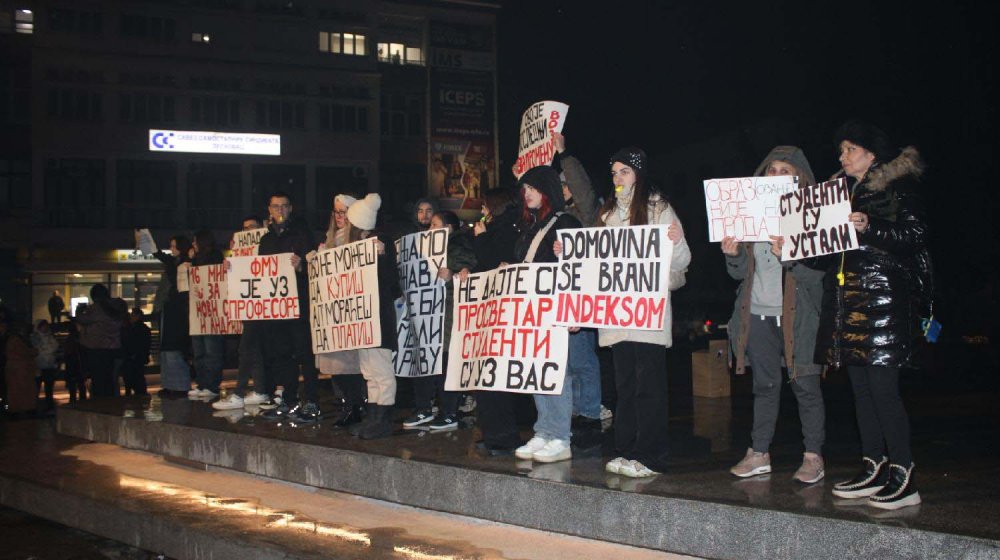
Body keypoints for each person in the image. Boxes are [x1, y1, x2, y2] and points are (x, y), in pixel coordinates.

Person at [818, 120, 930, 510]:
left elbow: (914, 237)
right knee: (862, 391)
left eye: (850, 149)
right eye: (842, 150)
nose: (842, 156)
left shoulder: (897, 187)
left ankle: (903, 472)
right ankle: (873, 464)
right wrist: (794, 244)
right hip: (849, 304)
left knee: (883, 391)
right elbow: (828, 251)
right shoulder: (839, 192)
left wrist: (871, 226)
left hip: (884, 302)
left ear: (871, 153)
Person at [722, 146, 827, 483]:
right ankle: (759, 453)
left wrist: (792, 256)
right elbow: (740, 274)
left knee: (805, 386)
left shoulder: (813, 216)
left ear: (799, 177)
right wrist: (733, 253)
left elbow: (820, 278)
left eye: (785, 170)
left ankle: (813, 457)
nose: (777, 176)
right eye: (772, 170)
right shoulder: (751, 212)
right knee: (765, 386)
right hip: (757, 314)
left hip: (799, 318)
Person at [598, 147, 690, 477]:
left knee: (647, 387)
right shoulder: (608, 215)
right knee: (624, 387)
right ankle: (626, 449)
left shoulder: (660, 209)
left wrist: (677, 241)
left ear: (638, 173)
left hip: (647, 316)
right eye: (614, 173)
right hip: (619, 315)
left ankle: (650, 456)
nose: (618, 178)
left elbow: (682, 263)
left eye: (624, 171)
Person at [508, 166, 582, 464]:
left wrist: (575, 308)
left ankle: (561, 437)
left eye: (533, 189)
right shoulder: (531, 226)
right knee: (537, 371)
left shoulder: (565, 222)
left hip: (554, 307)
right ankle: (544, 430)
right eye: (524, 189)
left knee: (555, 372)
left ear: (547, 190)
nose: (526, 195)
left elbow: (581, 264)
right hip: (531, 310)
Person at [402, 210, 477, 430]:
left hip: (447, 314)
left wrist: (451, 275)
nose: (430, 229)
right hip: (428, 314)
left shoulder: (458, 245)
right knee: (424, 361)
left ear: (449, 228)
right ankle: (424, 408)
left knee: (444, 363)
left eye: (435, 224)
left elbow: (468, 273)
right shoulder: (422, 247)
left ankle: (449, 412)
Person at [463, 187, 523, 455]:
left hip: (501, 312)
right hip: (490, 312)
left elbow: (492, 260)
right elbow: (483, 267)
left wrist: (481, 238)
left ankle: (503, 436)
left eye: (485, 207)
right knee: (485, 376)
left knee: (496, 377)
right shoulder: (500, 227)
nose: (482, 213)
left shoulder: (507, 228)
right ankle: (492, 433)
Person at [553, 132, 605, 431]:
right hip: (561, 295)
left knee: (582, 358)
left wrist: (564, 155)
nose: (561, 190)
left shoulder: (586, 214)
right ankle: (576, 409)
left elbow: (583, 190)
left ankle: (589, 412)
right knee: (568, 361)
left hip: (581, 294)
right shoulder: (559, 216)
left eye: (564, 185)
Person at [257, 192, 321, 423]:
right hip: (277, 309)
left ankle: (311, 400)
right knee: (282, 355)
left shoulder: (302, 235)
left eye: (284, 206)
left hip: (300, 304)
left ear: (290, 209)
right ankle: (290, 399)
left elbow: (317, 265)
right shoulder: (265, 241)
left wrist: (302, 265)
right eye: (276, 207)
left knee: (305, 353)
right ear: (270, 210)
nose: (280, 211)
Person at [343, 194, 402, 439]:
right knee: (369, 371)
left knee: (381, 370)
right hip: (363, 319)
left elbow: (391, 282)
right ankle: (374, 416)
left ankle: (383, 418)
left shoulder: (381, 242)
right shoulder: (356, 245)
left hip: (377, 317)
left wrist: (383, 256)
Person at [313, 194, 369, 428]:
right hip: (332, 315)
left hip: (352, 314)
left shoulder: (362, 237)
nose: (339, 216)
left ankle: (357, 405)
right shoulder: (329, 240)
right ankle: (349, 404)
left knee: (351, 366)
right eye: (336, 212)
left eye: (344, 212)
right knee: (335, 367)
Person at [215, 216, 271, 410]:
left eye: (252, 227)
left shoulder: (268, 245)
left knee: (246, 349)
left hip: (263, 306)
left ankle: (240, 392)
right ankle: (260, 389)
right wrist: (231, 263)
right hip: (249, 307)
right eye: (244, 228)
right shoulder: (240, 253)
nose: (248, 230)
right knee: (252, 350)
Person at [153, 235, 193, 396]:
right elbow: (162, 256)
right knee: (167, 349)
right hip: (170, 309)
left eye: (174, 246)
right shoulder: (175, 263)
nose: (171, 249)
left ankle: (179, 386)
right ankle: (170, 385)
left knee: (174, 349)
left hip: (178, 312)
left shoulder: (186, 263)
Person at [188, 230, 225, 398]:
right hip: (199, 312)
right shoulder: (195, 259)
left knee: (212, 352)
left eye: (195, 242)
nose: (193, 245)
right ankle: (202, 384)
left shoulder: (216, 256)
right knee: (199, 353)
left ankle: (212, 385)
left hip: (212, 313)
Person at [76, 284, 127, 397]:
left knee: (98, 378)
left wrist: (79, 311)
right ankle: (110, 401)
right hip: (114, 347)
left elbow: (82, 319)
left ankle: (100, 402)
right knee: (110, 377)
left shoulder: (96, 309)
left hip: (96, 348)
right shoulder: (116, 307)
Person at [3, 322, 39, 416]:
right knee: (21, 390)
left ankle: (20, 409)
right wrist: (34, 351)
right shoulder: (16, 341)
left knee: (19, 390)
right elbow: (25, 352)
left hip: (19, 369)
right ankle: (22, 409)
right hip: (20, 369)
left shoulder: (14, 340)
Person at [121, 308, 152, 397]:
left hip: (134, 356)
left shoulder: (133, 328)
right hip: (138, 356)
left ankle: (132, 390)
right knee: (138, 375)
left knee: (132, 374)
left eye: (133, 315)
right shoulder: (142, 328)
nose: (131, 317)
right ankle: (139, 391)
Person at [31, 320, 60, 412]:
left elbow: (55, 347)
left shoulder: (50, 337)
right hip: (39, 366)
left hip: (49, 366)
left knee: (49, 388)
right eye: (44, 326)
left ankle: (49, 406)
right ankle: (33, 406)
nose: (46, 328)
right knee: (36, 388)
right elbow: (37, 350)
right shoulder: (35, 337)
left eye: (47, 326)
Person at [63, 319, 86, 402]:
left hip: (73, 363)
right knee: (80, 384)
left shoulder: (70, 339)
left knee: (75, 384)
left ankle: (74, 400)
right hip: (76, 363)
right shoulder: (78, 338)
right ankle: (81, 400)